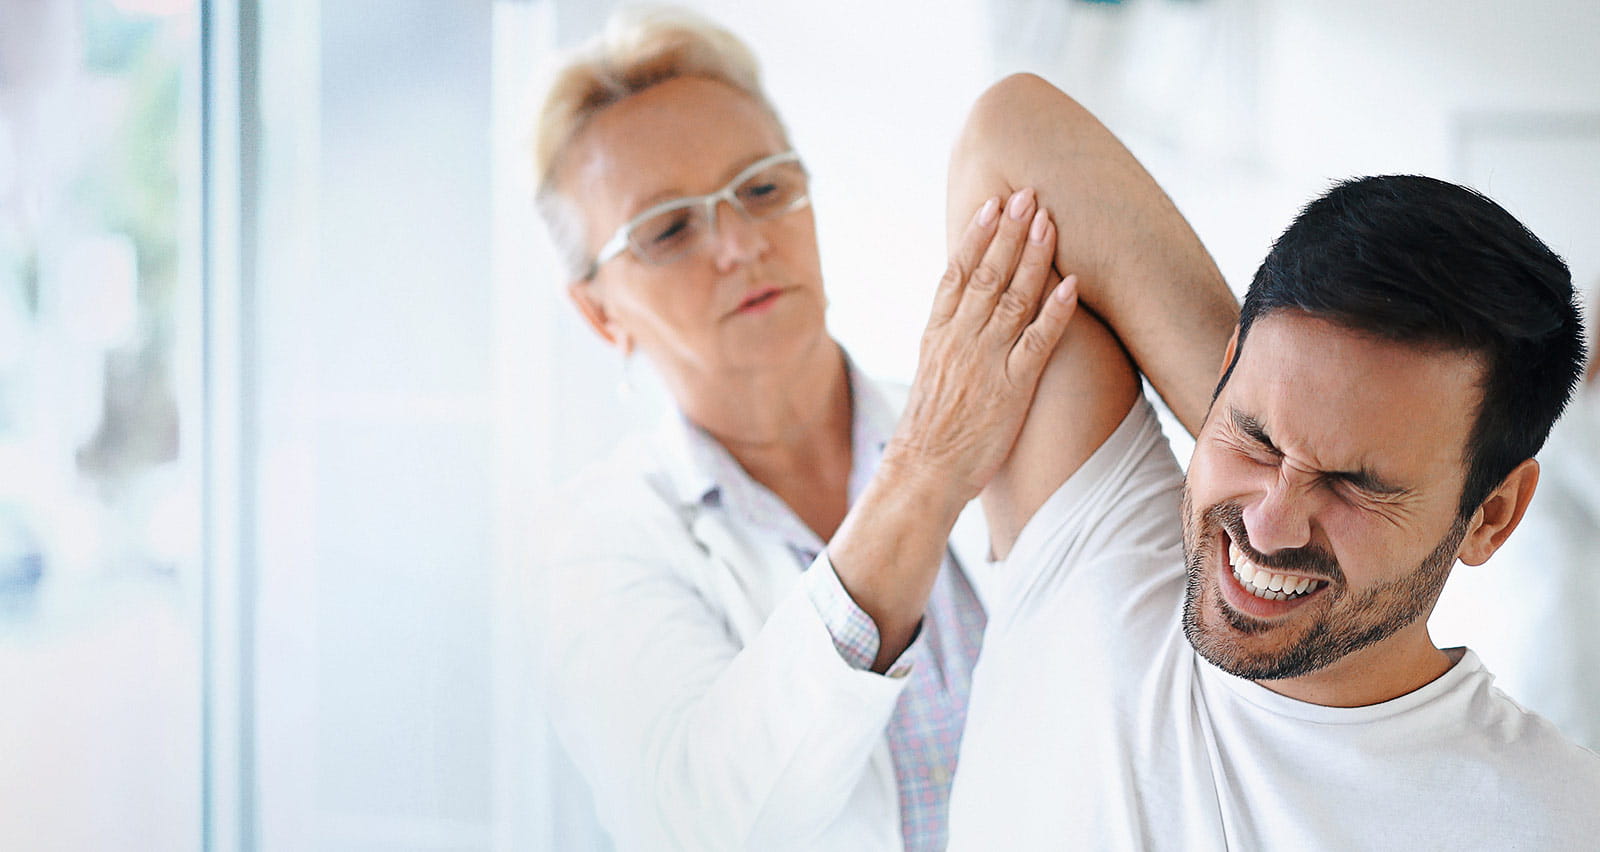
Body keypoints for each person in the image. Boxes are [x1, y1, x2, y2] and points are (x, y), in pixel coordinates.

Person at [864, 74, 1600, 848]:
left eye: (1355, 483)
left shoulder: (1555, 820)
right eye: (1257, 436)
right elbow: (1009, 135)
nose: (1269, 525)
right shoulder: (1095, 567)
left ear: (1492, 515)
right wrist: (1255, 407)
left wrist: (1268, 422)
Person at [525, 10, 1073, 850]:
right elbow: (703, 821)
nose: (740, 243)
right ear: (600, 312)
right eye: (669, 228)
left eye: (763, 188)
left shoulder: (983, 408)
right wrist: (925, 473)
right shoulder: (598, 546)